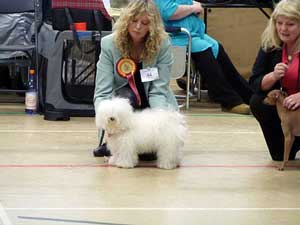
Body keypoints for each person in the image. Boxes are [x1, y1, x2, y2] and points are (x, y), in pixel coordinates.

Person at [93, 0, 178, 157]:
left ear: (152, 26)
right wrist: (106, 122)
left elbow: (159, 90)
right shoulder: (109, 44)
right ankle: (112, 141)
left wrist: (161, 123)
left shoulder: (162, 44)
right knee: (126, 98)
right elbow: (102, 93)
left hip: (151, 100)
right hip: (124, 104)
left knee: (148, 154)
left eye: (145, 23)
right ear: (126, 20)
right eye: (134, 20)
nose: (138, 26)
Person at [154, 0, 253, 115]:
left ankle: (250, 96)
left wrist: (193, 4)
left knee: (216, 47)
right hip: (176, 36)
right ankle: (229, 101)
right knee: (204, 49)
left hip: (192, 34)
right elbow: (168, 12)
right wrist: (193, 8)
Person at [249, 0, 300, 161]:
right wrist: (273, 76)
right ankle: (287, 143)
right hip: (285, 111)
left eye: (290, 24)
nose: (283, 29)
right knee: (257, 101)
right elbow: (255, 83)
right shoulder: (270, 44)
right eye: (279, 23)